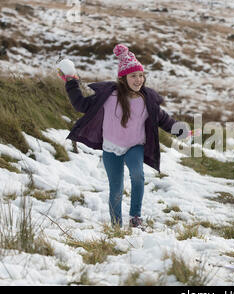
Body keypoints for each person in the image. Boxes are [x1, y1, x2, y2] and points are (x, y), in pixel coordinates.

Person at [58, 44, 189, 228]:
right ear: (123, 78)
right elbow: (81, 105)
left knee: (137, 175)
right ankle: (116, 225)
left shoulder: (146, 101)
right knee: (116, 189)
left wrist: (181, 131)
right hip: (111, 148)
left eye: (141, 75)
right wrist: (71, 81)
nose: (138, 80)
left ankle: (135, 217)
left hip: (135, 146)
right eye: (133, 76)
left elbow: (163, 120)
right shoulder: (108, 97)